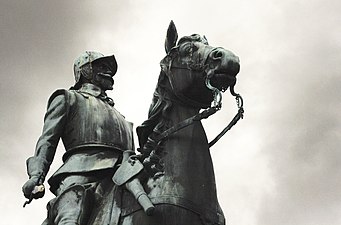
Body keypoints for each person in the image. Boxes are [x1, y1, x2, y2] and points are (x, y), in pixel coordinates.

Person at [22, 51, 135, 225]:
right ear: (85, 70)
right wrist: (36, 175)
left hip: (124, 172)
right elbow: (48, 140)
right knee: (72, 207)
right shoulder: (68, 98)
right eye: (101, 67)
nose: (108, 72)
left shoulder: (121, 117)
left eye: (109, 68)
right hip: (82, 169)